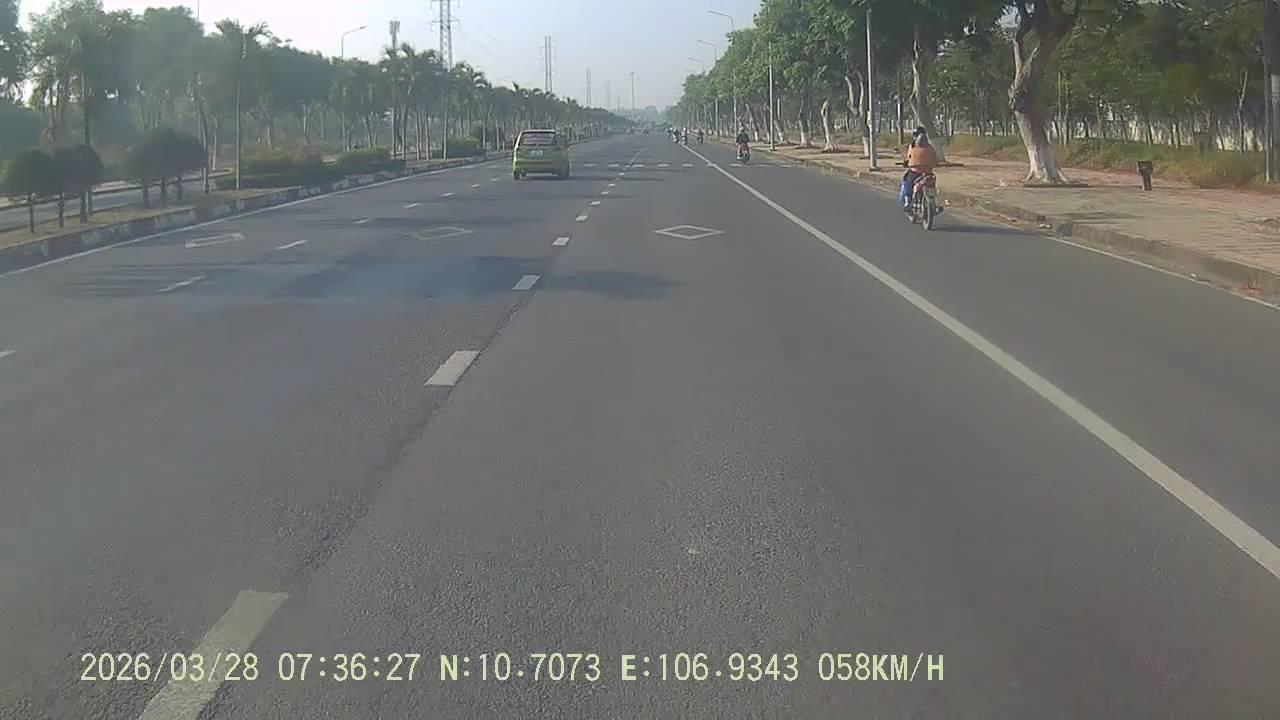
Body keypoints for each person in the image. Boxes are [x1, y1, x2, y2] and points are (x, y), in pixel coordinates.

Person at [900, 127, 940, 213]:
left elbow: (909, 159)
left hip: (915, 172)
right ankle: (935, 205)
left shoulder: (912, 147)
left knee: (907, 183)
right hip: (928, 172)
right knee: (932, 187)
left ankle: (907, 202)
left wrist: (907, 163)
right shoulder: (930, 147)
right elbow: (935, 160)